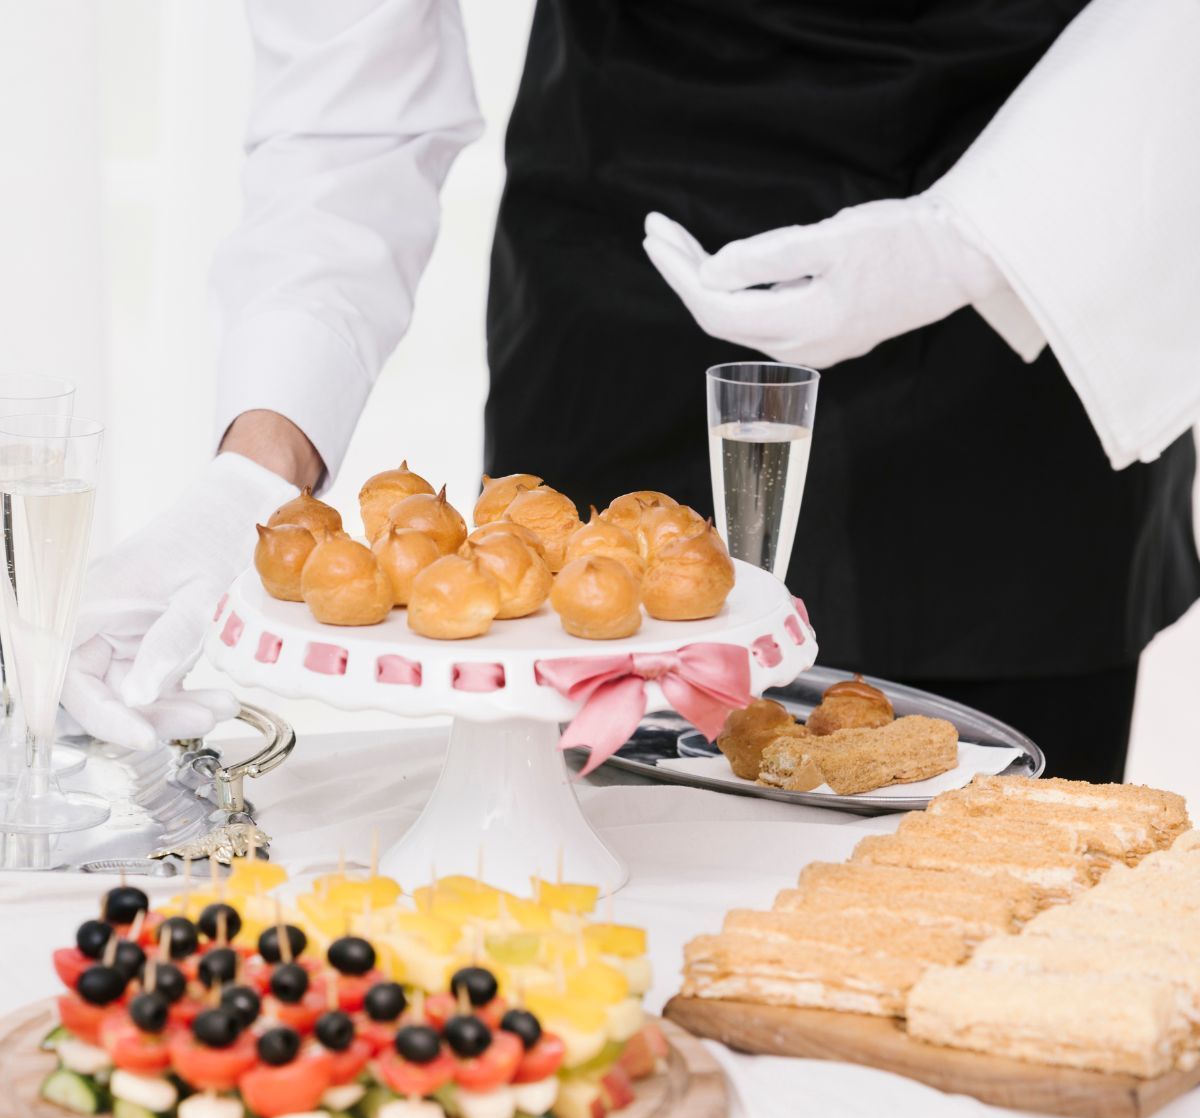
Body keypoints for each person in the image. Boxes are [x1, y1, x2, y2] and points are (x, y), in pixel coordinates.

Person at [62, 0, 1200, 782]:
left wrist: (971, 242)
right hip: (620, 288)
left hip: (1029, 270)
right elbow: (350, 106)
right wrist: (254, 478)